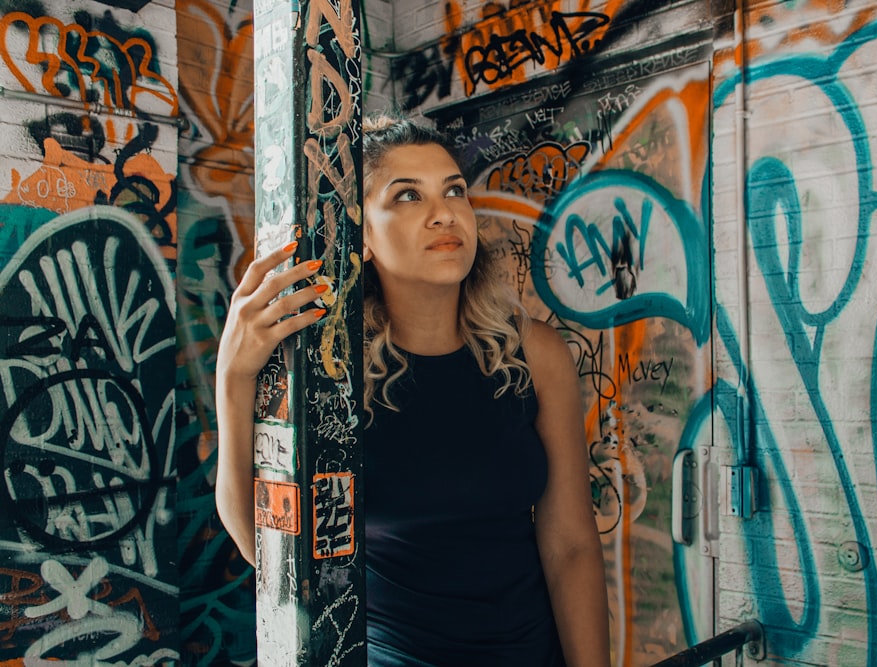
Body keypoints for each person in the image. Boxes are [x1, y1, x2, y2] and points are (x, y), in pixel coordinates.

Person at [215, 114, 610, 666]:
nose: (444, 212)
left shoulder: (534, 355)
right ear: (364, 238)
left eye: (453, 191)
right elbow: (267, 548)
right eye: (407, 196)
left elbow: (570, 545)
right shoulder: (332, 374)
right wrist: (233, 377)